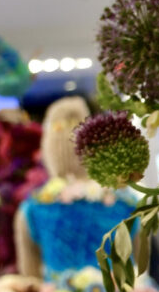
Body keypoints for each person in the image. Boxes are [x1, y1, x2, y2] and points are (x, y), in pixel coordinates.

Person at [14, 97, 135, 280]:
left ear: (48, 151)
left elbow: (31, 280)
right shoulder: (126, 203)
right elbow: (141, 270)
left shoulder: (32, 209)